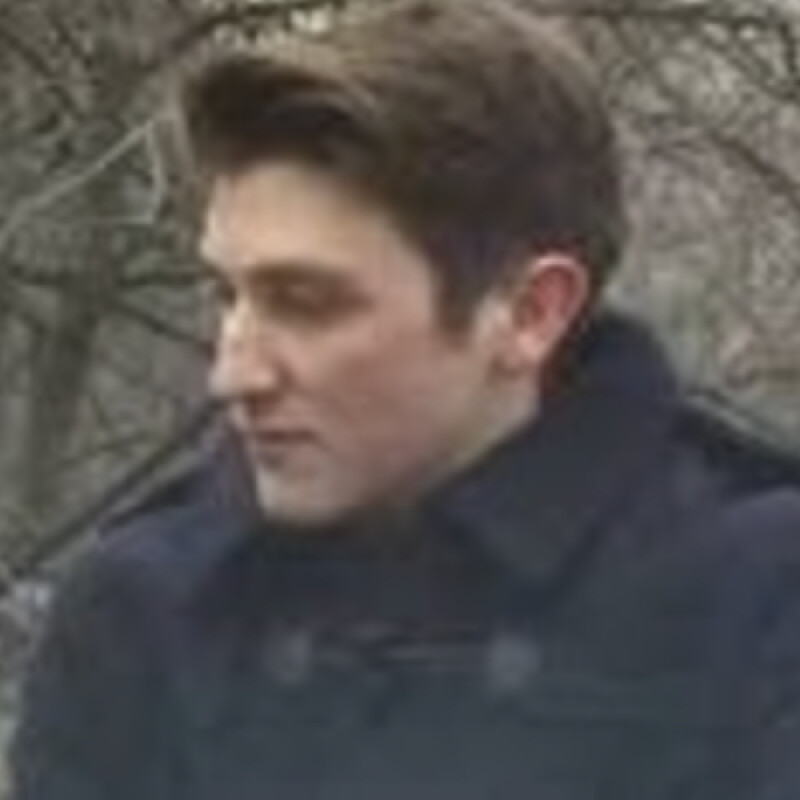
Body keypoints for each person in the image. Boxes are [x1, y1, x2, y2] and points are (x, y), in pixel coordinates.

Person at [10, 1, 800, 798]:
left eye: (306, 302)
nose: (233, 374)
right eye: (228, 295)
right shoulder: (139, 610)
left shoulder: (760, 607)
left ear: (530, 313)